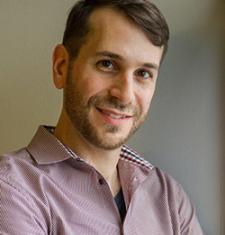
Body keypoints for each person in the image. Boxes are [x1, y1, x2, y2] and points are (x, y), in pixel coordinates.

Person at [0, 0, 204, 234]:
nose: (125, 95)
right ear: (61, 67)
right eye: (107, 64)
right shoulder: (12, 189)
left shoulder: (169, 198)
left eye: (143, 73)